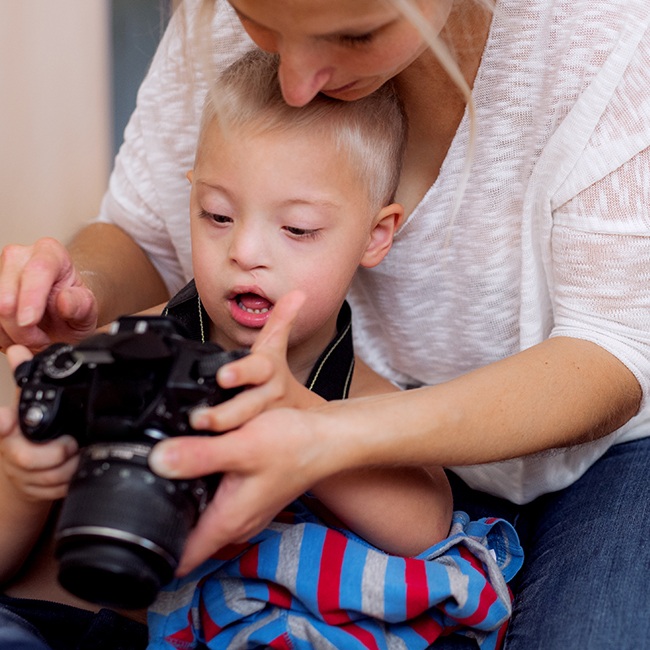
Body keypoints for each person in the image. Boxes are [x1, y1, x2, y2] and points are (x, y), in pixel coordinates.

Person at [0, 0, 649, 647]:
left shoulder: (603, 39)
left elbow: (610, 350)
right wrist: (76, 298)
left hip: (596, 450)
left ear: (377, 233)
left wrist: (321, 436)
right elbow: (140, 237)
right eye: (217, 215)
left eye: (357, 34)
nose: (296, 80)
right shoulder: (141, 352)